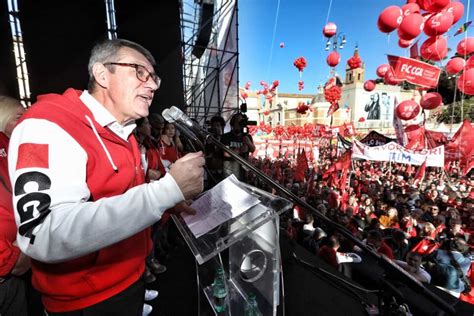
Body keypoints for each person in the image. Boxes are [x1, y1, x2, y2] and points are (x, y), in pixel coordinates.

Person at [8, 38, 205, 315]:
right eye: (139, 72)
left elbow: (115, 196)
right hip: (86, 303)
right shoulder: (48, 125)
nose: (151, 85)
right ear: (102, 74)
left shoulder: (123, 132)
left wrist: (167, 203)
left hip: (128, 281)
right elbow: (42, 234)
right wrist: (166, 191)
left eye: (154, 78)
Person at [0, 96, 31, 315]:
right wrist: (9, 258)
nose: (26, 121)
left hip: (18, 251)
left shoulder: (14, 145)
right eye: (19, 116)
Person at [221, 112, 255, 182]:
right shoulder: (225, 137)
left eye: (241, 122)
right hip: (229, 173)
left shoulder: (247, 136)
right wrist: (240, 150)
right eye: (238, 122)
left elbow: (253, 149)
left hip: (243, 174)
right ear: (233, 123)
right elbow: (225, 153)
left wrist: (248, 143)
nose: (240, 125)